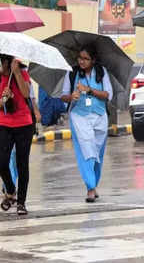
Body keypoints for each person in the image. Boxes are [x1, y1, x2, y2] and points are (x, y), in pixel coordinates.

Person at [60, 44, 113, 203]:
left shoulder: (101, 72)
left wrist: (88, 90)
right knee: (86, 150)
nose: (81, 61)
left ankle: (94, 184)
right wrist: (72, 97)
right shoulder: (72, 72)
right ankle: (90, 187)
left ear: (93, 60)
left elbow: (107, 95)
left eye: (85, 58)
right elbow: (63, 96)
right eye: (80, 58)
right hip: (79, 116)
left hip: (99, 115)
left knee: (97, 153)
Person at [0, 54, 34, 215]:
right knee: (1, 161)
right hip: (4, 124)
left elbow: (26, 94)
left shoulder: (22, 73)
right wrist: (3, 99)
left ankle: (21, 202)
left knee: (22, 163)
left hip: (24, 124)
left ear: (6, 62)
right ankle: (10, 190)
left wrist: (16, 73)